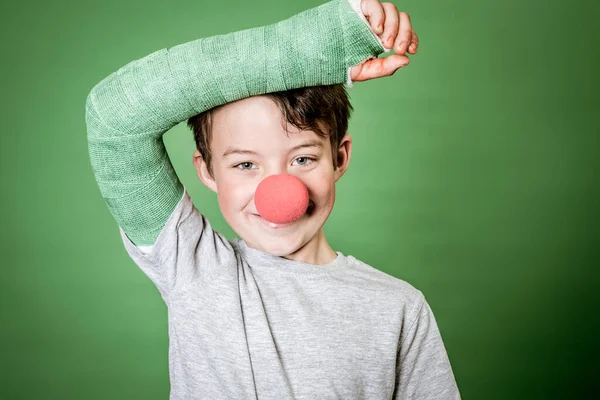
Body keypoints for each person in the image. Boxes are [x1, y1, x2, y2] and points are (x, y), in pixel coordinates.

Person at [85, 0, 460, 398]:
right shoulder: (192, 267)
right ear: (207, 171)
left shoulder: (398, 308)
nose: (281, 193)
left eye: (302, 158)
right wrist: (321, 42)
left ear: (339, 158)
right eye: (245, 165)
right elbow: (115, 117)